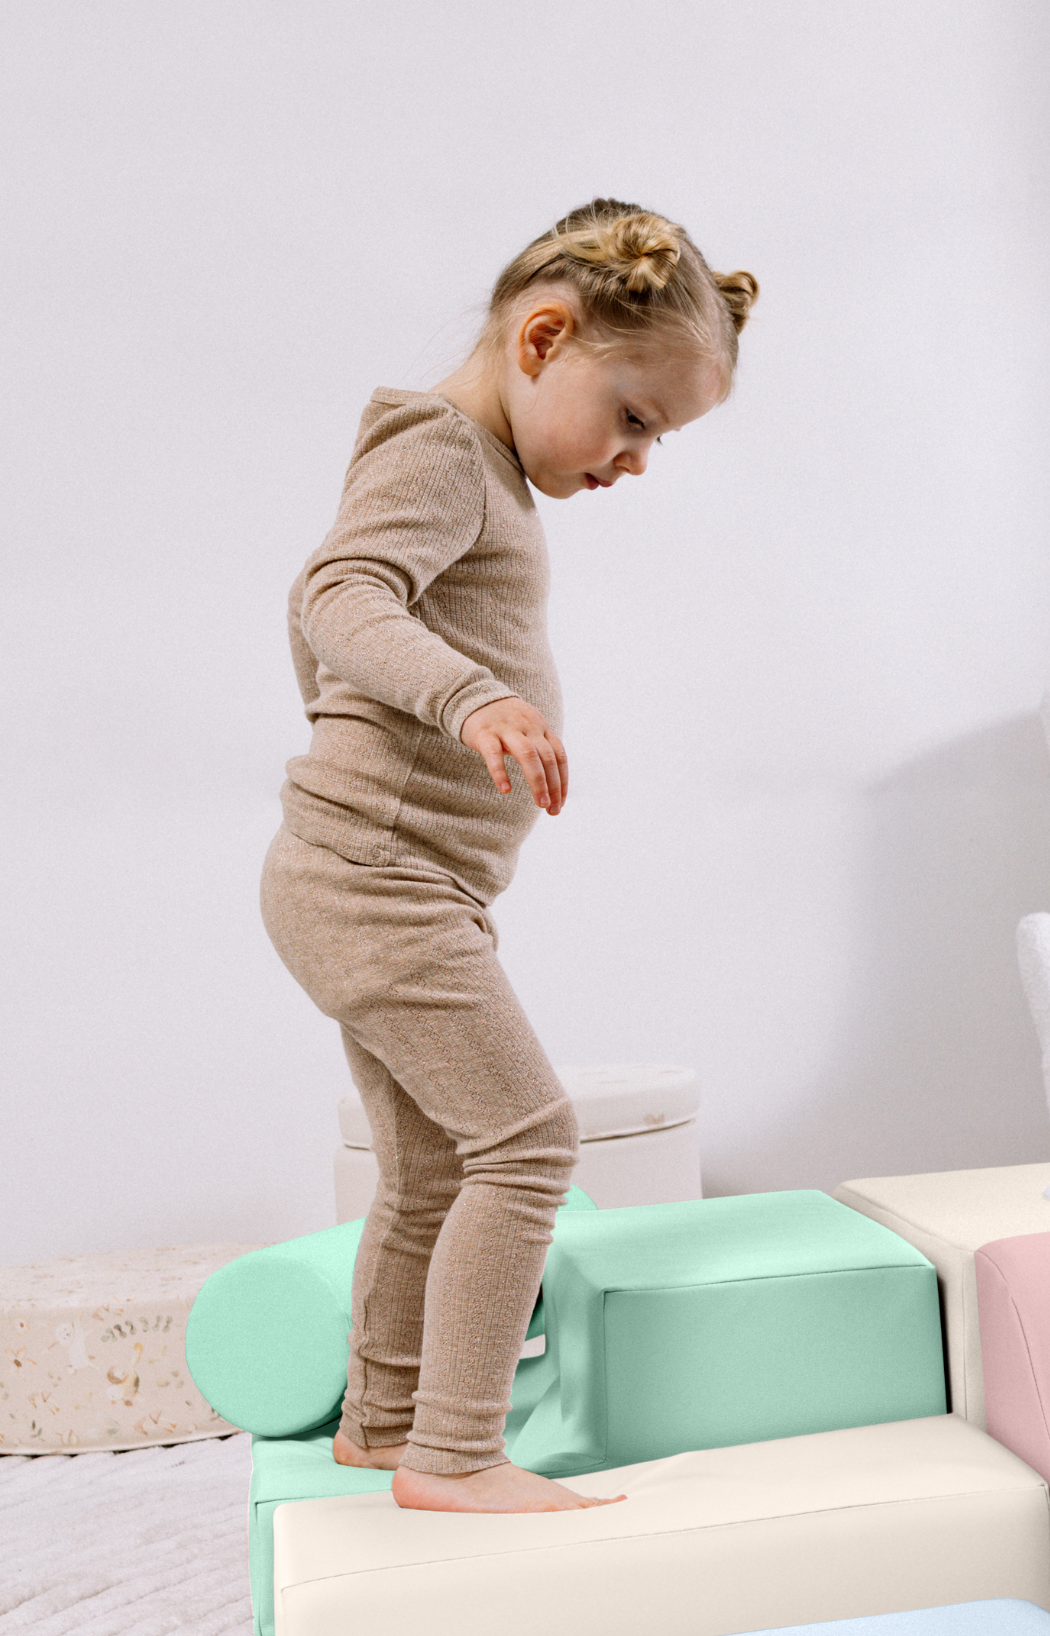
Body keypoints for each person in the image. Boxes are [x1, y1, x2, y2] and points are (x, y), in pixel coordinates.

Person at [260, 200, 757, 1513]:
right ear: (543, 336)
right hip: (376, 881)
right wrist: (468, 699)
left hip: (390, 882)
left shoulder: (470, 469)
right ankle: (460, 1451)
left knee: (431, 1167)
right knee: (527, 1146)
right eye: (636, 418)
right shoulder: (437, 449)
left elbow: (319, 620)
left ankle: (381, 1421)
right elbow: (338, 596)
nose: (638, 460)